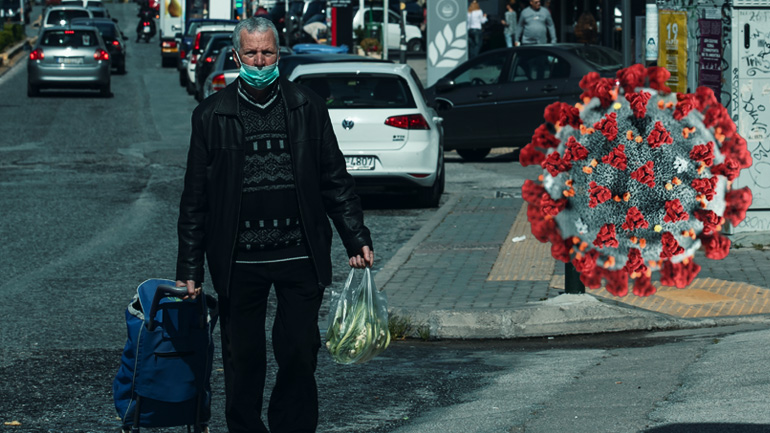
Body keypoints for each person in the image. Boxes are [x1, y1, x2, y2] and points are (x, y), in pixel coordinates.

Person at [175, 16, 374, 433]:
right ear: (236, 56)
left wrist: (355, 236)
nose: (260, 61)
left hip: (299, 254)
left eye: (267, 52)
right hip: (238, 260)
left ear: (278, 54)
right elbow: (196, 199)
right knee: (243, 359)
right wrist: (189, 269)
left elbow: (334, 179)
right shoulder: (210, 115)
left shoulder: (307, 106)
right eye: (251, 53)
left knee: (300, 351)